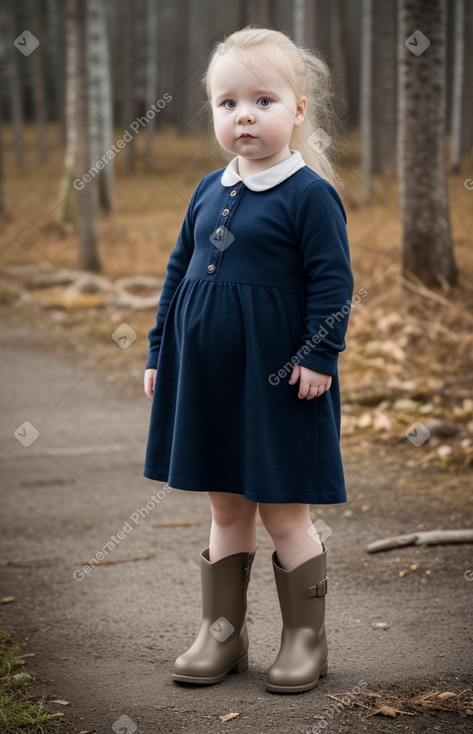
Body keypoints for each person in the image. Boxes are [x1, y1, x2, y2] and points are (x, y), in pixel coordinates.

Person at [143, 26, 354, 694]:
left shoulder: (308, 195)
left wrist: (319, 352)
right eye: (227, 102)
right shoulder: (209, 188)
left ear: (296, 110)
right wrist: (159, 352)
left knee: (283, 512)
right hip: (206, 379)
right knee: (226, 508)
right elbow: (178, 275)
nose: (243, 115)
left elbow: (333, 283)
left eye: (262, 100)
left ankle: (304, 641)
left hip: (284, 382)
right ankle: (221, 636)